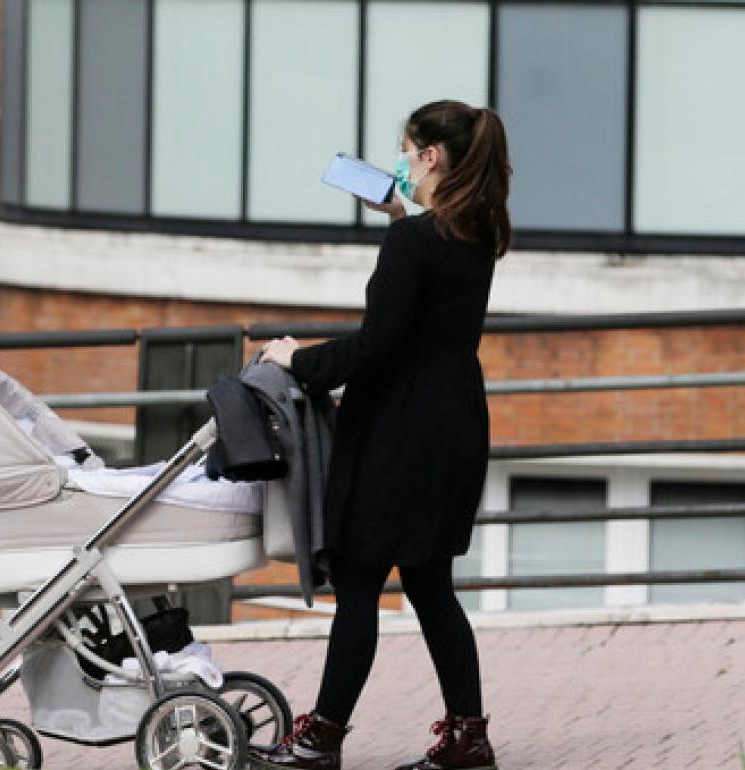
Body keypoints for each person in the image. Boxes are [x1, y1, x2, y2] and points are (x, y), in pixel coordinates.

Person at [251, 99, 512, 770]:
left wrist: (297, 360)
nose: (397, 158)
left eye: (405, 147)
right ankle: (466, 739)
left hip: (399, 432)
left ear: (428, 157)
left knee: (362, 580)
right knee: (430, 585)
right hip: (453, 426)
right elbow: (425, 310)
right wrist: (399, 216)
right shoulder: (476, 232)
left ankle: (321, 738)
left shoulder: (415, 242)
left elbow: (381, 344)